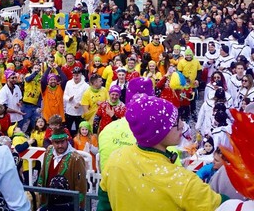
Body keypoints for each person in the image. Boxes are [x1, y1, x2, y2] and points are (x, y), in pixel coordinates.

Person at [98, 90, 227, 210]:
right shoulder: (181, 181)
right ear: (158, 133)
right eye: (176, 122)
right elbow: (224, 206)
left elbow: (104, 203)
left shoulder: (115, 160)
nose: (182, 125)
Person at [38, 126, 87, 211]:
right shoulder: (49, 151)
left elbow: (81, 186)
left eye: (62, 142)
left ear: (67, 141)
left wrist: (78, 207)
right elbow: (43, 172)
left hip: (66, 205)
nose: (60, 145)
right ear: (52, 142)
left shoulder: (76, 158)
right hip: (49, 202)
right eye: (57, 143)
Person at [63, 66, 89, 137]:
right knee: (67, 129)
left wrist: (80, 103)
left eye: (77, 75)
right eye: (74, 75)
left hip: (80, 112)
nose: (75, 77)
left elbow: (87, 98)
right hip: (69, 111)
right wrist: (69, 98)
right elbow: (64, 95)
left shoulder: (86, 86)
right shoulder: (69, 83)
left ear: (81, 74)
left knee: (79, 130)